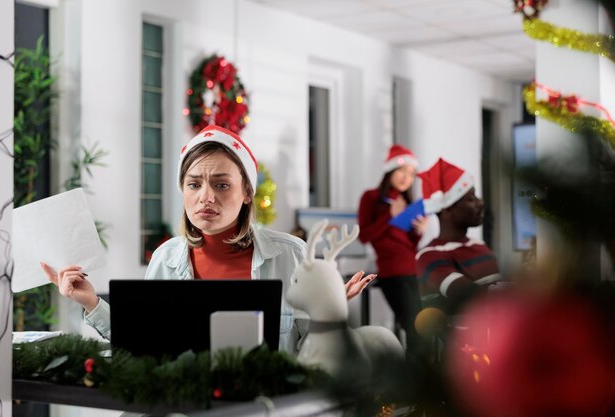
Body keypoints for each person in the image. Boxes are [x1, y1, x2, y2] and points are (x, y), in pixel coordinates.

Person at [41, 124, 375, 355]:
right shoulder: (165, 259)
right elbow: (142, 346)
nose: (206, 198)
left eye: (221, 184)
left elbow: (309, 359)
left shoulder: (291, 256)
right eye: (194, 184)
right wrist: (90, 302)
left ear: (247, 192)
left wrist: (328, 318)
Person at [357, 144, 429, 352]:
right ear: (390, 170)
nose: (406, 177)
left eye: (412, 173)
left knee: (421, 328)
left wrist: (419, 231)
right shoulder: (370, 197)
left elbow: (409, 244)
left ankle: (417, 377)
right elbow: (364, 236)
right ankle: (412, 379)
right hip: (392, 272)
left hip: (413, 270)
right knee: (414, 328)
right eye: (402, 170)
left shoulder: (407, 202)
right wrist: (389, 215)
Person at [415, 158, 501, 314]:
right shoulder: (429, 256)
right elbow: (470, 298)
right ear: (447, 210)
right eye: (471, 198)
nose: (480, 203)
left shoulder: (479, 246)